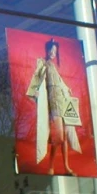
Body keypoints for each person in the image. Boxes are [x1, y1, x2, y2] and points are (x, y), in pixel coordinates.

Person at [26, 38, 82, 176]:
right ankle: (51, 167)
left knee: (65, 136)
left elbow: (60, 83)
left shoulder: (54, 67)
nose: (52, 53)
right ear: (47, 50)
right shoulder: (43, 63)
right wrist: (35, 92)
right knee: (59, 137)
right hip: (53, 102)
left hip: (62, 101)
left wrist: (67, 89)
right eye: (51, 50)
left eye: (55, 51)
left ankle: (66, 167)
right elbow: (36, 78)